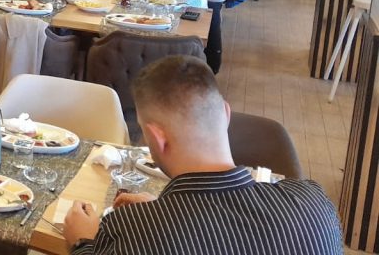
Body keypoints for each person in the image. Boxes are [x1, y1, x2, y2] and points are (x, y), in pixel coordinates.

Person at [64, 55, 343, 255]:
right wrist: (160, 211)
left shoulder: (134, 233)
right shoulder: (314, 203)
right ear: (226, 114)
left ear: (157, 138)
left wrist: (83, 242)